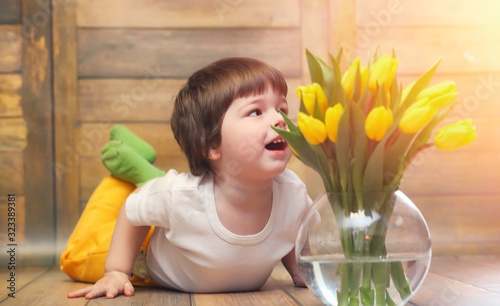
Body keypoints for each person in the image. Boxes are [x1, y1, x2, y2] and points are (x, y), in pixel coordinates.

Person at [62, 57, 312, 299]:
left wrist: (298, 270)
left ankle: (142, 163)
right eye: (256, 112)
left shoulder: (293, 193)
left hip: (175, 211)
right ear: (212, 144)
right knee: (80, 255)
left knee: (158, 185)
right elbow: (131, 208)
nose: (280, 119)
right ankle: (127, 164)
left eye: (282, 109)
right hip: (145, 257)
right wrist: (116, 272)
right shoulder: (182, 198)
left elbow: (289, 228)